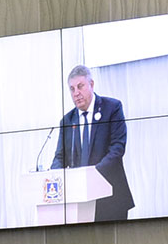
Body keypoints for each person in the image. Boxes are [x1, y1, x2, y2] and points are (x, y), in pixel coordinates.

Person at [50, 63, 133, 221]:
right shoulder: (67, 121)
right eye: (72, 89)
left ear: (92, 84)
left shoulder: (112, 108)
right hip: (78, 201)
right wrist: (55, 177)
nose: (76, 93)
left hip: (110, 197)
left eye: (80, 86)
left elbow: (117, 148)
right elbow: (60, 157)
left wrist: (92, 175)